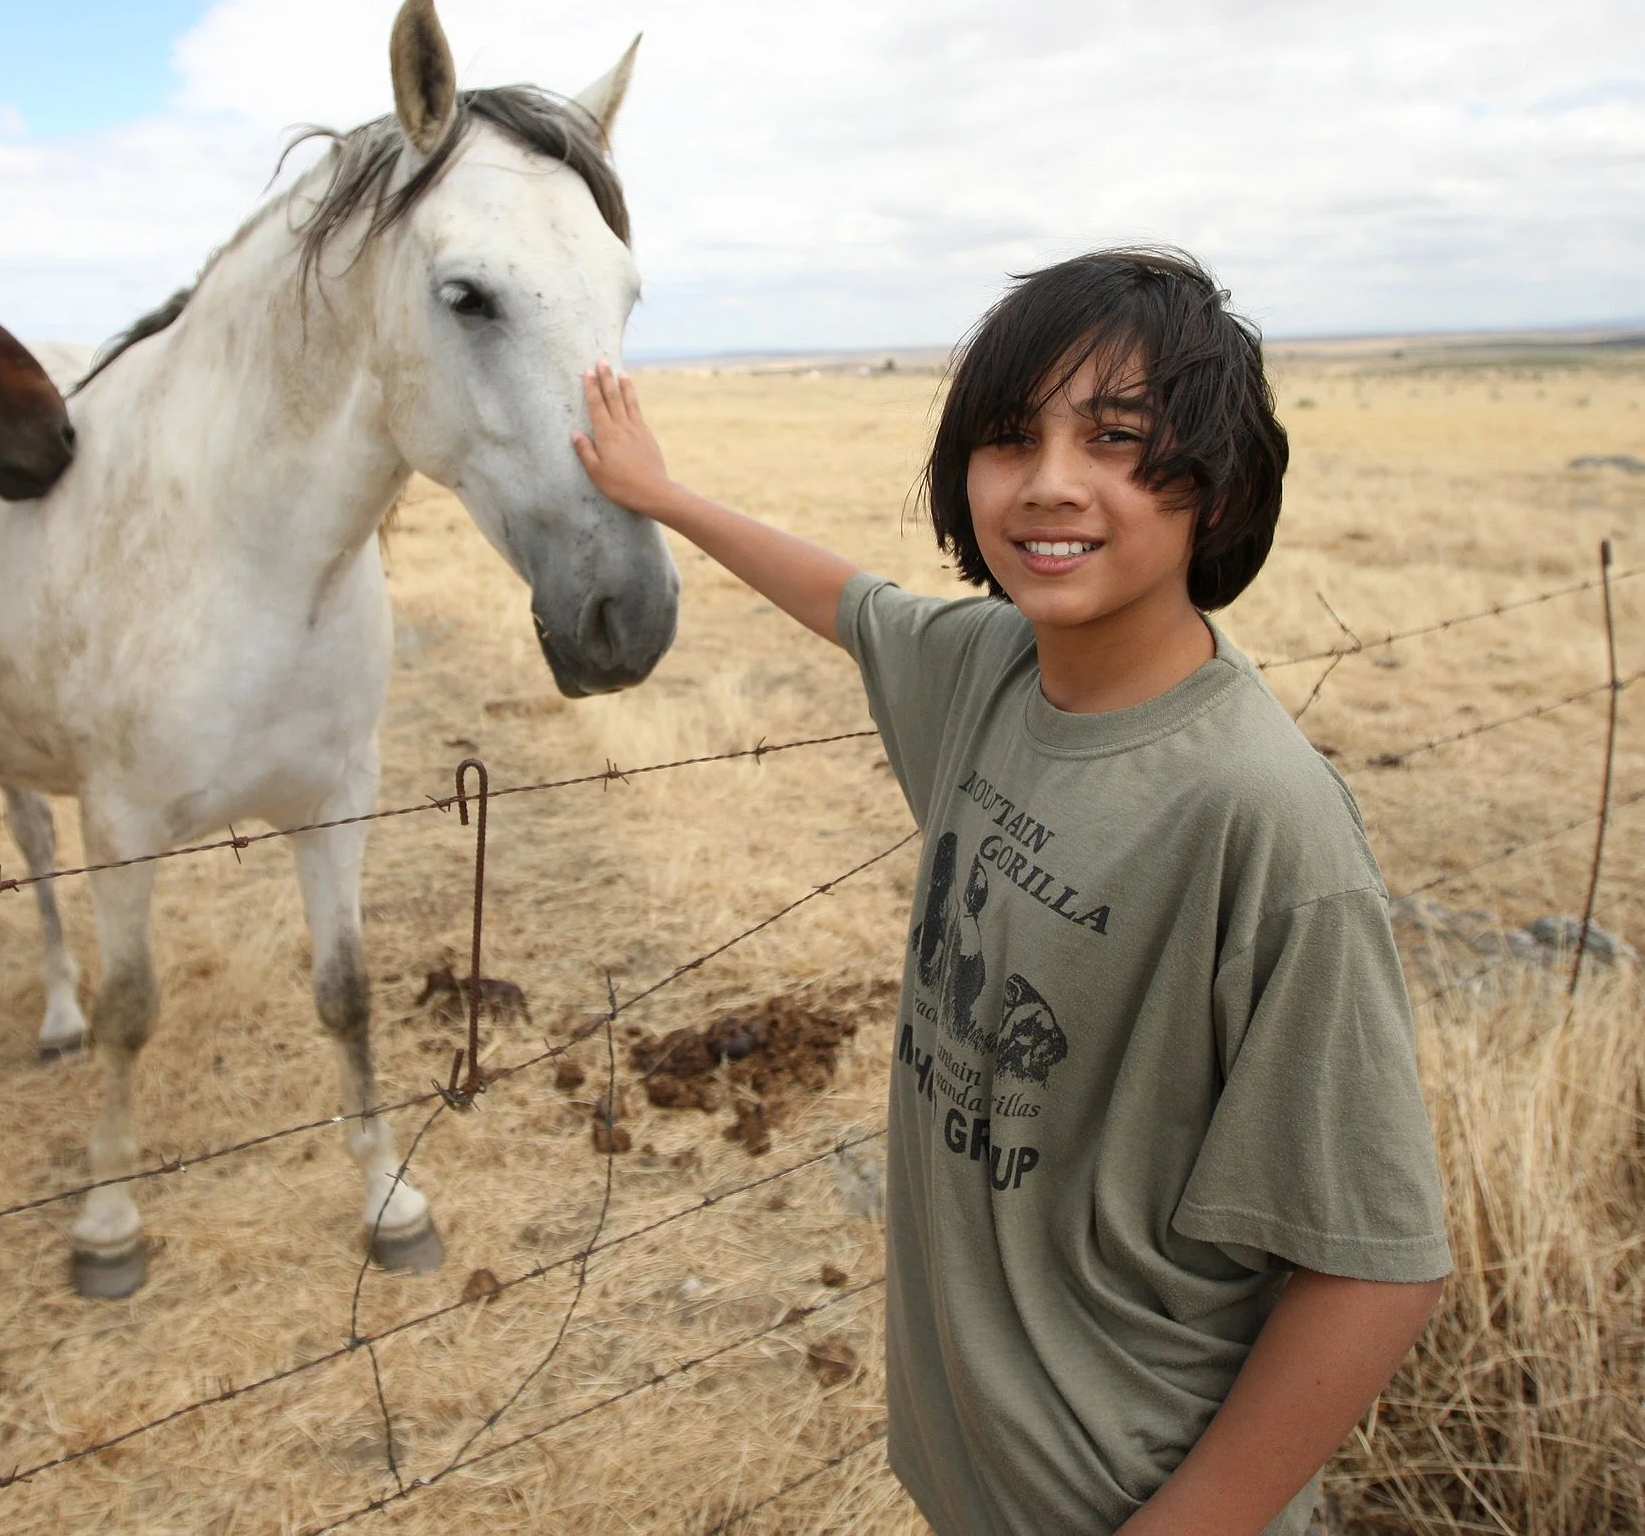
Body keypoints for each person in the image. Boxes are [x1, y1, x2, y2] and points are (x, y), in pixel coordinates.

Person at [571, 247, 1450, 1535]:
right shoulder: (996, 671)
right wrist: (665, 496)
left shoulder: (1259, 821)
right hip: (981, 1470)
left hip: (1125, 1487)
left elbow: (1374, 1270)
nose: (1048, 483)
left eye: (1116, 438)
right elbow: (851, 601)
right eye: (1006, 438)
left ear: (1214, 481)